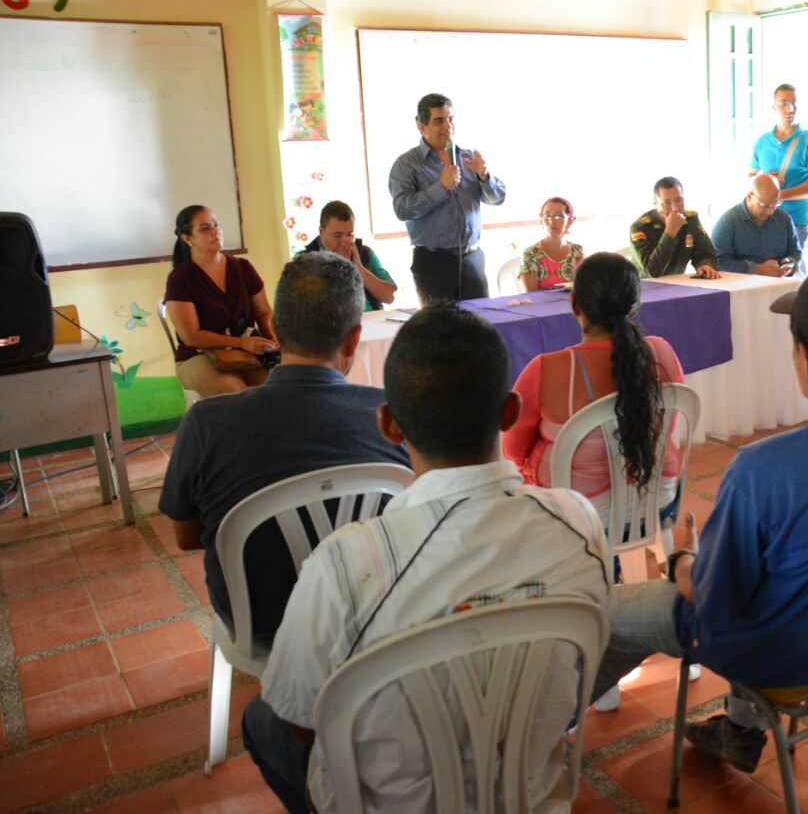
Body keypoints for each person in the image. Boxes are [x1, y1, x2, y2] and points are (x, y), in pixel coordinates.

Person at [587, 260, 808, 774]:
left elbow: (715, 601)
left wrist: (682, 561)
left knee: (603, 614)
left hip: (775, 653)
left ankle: (530, 738)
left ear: (805, 357)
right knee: (779, 565)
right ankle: (741, 728)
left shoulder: (764, 469)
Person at [243, 304, 610, 814]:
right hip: (530, 794)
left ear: (388, 425)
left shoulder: (346, 565)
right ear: (509, 413)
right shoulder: (579, 523)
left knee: (261, 718)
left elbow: (300, 719)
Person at [159, 252, 409, 643]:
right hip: (373, 616)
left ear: (278, 328)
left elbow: (187, 537)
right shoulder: (392, 416)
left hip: (259, 623)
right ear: (354, 338)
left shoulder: (206, 422)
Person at [504, 252, 686, 526]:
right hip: (656, 502)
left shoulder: (546, 370)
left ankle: (594, 566)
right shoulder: (661, 352)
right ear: (635, 307)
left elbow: (513, 452)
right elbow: (664, 429)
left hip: (578, 518)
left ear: (574, 303)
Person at [388, 92, 506, 303]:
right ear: (421, 126)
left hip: (472, 259)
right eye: (439, 121)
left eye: (451, 119)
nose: (447, 126)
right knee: (441, 332)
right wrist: (441, 187)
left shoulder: (469, 158)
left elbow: (498, 198)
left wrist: (484, 176)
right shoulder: (407, 164)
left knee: (479, 329)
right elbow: (403, 209)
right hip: (434, 263)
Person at [163, 205, 278, 397]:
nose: (215, 231)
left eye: (216, 225)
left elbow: (264, 312)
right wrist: (241, 343)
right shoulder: (180, 279)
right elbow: (191, 336)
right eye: (205, 228)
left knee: (276, 384)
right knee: (233, 389)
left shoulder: (243, 267)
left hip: (248, 354)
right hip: (198, 356)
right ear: (187, 238)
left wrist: (274, 339)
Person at [749, 83, 808, 272]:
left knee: (792, 272)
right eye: (783, 103)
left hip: (797, 220)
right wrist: (765, 178)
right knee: (767, 273)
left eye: (793, 103)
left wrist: (780, 195)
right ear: (774, 107)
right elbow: (751, 178)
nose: (789, 109)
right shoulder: (762, 141)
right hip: (764, 219)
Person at [302, 200, 397, 311]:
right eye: (337, 235)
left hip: (370, 318)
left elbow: (389, 297)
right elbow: (308, 305)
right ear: (321, 231)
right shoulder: (305, 259)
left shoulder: (365, 253)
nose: (345, 241)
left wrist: (358, 267)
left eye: (350, 234)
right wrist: (338, 266)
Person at [629, 176, 720, 278]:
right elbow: (652, 271)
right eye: (667, 202)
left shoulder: (691, 220)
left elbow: (705, 252)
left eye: (678, 200)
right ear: (655, 203)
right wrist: (669, 233)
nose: (675, 208)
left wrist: (705, 265)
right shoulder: (641, 227)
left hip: (677, 284)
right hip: (643, 287)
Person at [711, 174, 800, 276]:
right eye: (765, 206)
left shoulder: (784, 219)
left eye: (775, 204)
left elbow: (796, 252)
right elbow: (719, 263)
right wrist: (756, 269)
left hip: (779, 283)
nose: (770, 211)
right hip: (742, 286)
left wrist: (790, 262)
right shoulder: (728, 222)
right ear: (749, 196)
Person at [519, 196, 584, 291]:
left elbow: (584, 288)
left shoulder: (577, 251)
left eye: (558, 216)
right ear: (542, 219)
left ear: (569, 222)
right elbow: (531, 296)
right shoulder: (531, 254)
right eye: (547, 215)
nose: (552, 221)